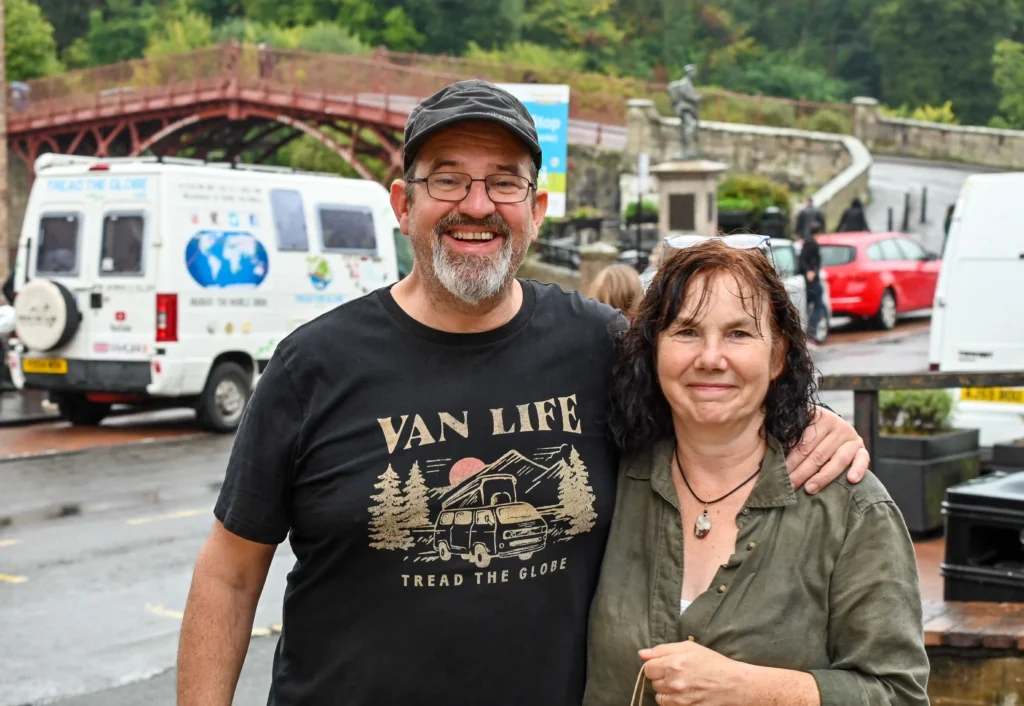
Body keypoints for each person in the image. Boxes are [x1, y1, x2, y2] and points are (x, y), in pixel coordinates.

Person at [176, 79, 871, 706]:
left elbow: (715, 397)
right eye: (447, 181)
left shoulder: (599, 344)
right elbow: (230, 574)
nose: (476, 206)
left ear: (536, 208)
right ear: (402, 202)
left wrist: (809, 422)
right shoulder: (313, 364)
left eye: (504, 184)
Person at [583, 237, 929, 706]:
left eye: (739, 334)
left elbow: (899, 693)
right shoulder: (608, 479)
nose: (710, 357)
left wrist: (753, 690)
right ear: (652, 350)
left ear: (778, 355)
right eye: (686, 331)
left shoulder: (848, 507)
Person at [799, 221, 827, 343]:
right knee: (819, 307)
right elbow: (804, 260)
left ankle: (809, 333)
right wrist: (809, 271)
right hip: (812, 282)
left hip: (810, 281)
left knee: (810, 307)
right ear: (819, 232)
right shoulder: (811, 244)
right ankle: (810, 334)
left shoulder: (809, 243)